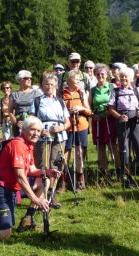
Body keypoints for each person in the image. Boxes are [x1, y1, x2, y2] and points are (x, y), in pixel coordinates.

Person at [30, 73, 71, 208]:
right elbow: (31, 120)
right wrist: (40, 130)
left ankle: (52, 193)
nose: (49, 87)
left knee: (55, 164)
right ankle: (41, 194)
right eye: (47, 84)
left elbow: (67, 122)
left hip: (59, 136)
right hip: (43, 135)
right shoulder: (37, 101)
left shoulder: (60, 101)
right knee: (42, 164)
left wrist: (61, 128)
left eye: (52, 85)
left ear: (56, 86)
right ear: (42, 86)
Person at [107, 67, 139, 188]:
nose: (124, 78)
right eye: (122, 76)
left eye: (126, 76)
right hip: (122, 122)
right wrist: (120, 116)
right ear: (119, 78)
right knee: (124, 150)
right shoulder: (115, 91)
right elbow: (111, 109)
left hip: (136, 121)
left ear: (131, 78)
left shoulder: (137, 90)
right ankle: (128, 178)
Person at [89, 64, 122, 182]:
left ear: (107, 74)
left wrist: (111, 111)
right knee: (100, 146)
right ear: (95, 75)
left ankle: (119, 170)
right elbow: (90, 106)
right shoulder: (93, 90)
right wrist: (93, 115)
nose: (100, 76)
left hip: (110, 118)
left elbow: (117, 101)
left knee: (113, 145)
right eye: (98, 74)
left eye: (102, 73)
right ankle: (105, 172)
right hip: (98, 120)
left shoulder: (112, 86)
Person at [62, 70, 92, 190]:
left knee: (79, 154)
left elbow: (89, 111)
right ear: (69, 80)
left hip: (81, 126)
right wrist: (68, 111)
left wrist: (80, 108)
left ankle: (80, 181)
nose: (79, 82)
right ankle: (63, 181)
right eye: (76, 79)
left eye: (80, 80)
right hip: (68, 126)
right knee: (66, 154)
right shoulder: (62, 94)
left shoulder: (81, 93)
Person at [8, 70, 39, 135]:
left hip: (32, 123)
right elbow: (10, 111)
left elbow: (39, 109)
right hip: (18, 123)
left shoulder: (36, 93)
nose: (29, 80)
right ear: (20, 80)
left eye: (31, 78)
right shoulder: (14, 94)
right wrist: (16, 122)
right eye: (26, 78)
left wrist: (28, 121)